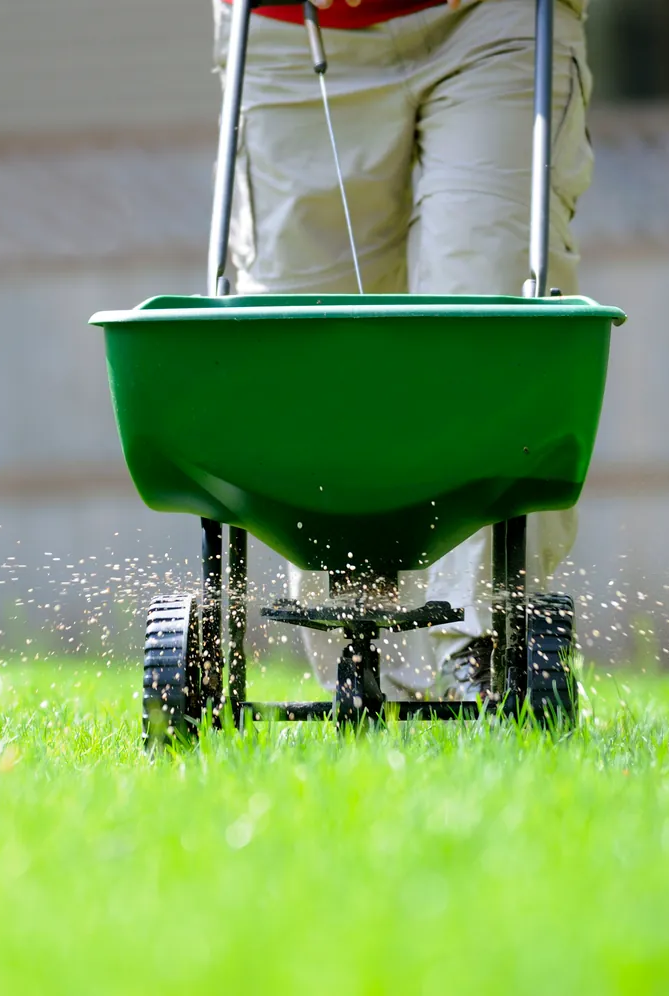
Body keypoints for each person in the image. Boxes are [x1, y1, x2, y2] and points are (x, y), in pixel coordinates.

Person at [214, 0, 592, 699]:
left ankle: (483, 650)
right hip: (294, 31)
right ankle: (362, 661)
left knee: (489, 302)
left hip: (491, 22)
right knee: (310, 348)